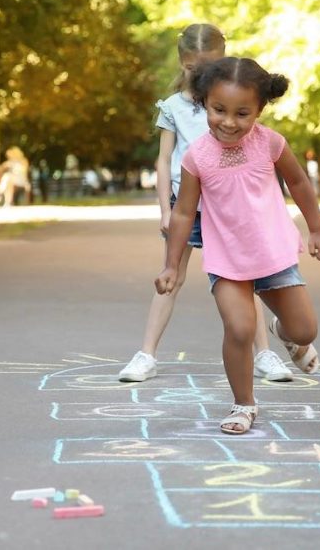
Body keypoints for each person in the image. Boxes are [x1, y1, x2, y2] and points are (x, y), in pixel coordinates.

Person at [155, 56, 320, 435]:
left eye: (242, 113)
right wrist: (172, 265)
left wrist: (318, 230)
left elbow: (300, 183)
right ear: (205, 102)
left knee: (305, 331)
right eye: (218, 110)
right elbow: (183, 212)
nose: (228, 122)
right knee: (239, 329)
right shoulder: (197, 157)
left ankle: (285, 334)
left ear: (259, 110)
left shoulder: (270, 143)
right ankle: (243, 404)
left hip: (273, 255)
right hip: (227, 260)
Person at [119, 23, 294, 384]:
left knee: (247, 279)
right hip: (188, 204)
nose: (199, 77)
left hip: (230, 205)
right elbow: (164, 160)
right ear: (182, 63)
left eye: (208, 68)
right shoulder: (172, 107)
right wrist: (166, 211)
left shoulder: (231, 101)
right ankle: (146, 354)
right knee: (171, 275)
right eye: (192, 69)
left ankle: (264, 354)